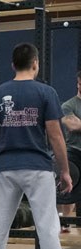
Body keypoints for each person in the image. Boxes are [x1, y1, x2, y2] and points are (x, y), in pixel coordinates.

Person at [0, 42, 80, 249]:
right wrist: (64, 171)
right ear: (35, 64)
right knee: (47, 225)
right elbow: (55, 137)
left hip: (6, 167)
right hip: (38, 168)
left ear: (13, 65)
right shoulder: (46, 92)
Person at [60, 71, 81, 234]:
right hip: (74, 152)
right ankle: (65, 223)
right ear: (78, 84)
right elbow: (73, 126)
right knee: (70, 188)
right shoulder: (68, 105)